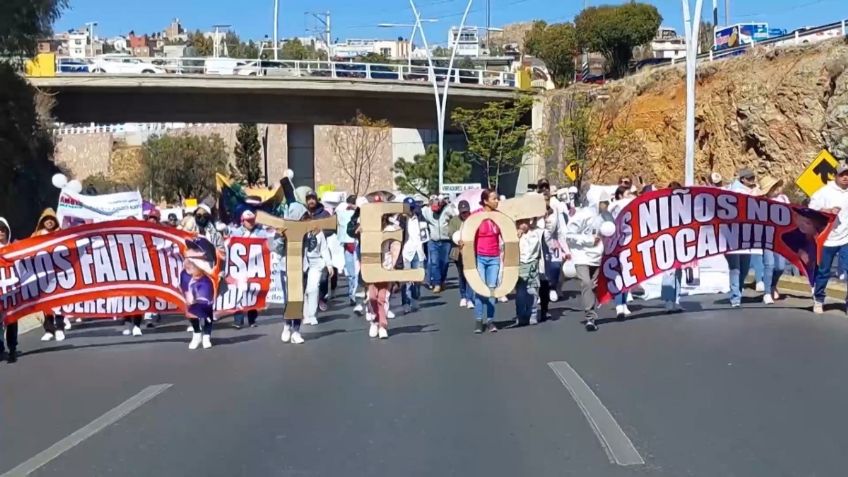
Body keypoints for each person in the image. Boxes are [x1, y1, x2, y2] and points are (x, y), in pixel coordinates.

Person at [810, 163, 848, 314]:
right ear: (836, 176)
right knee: (824, 271)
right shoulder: (824, 192)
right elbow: (810, 209)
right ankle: (818, 300)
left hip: (846, 238)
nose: (846, 177)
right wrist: (826, 211)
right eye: (842, 174)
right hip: (827, 239)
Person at [566, 193, 607, 331]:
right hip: (581, 255)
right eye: (603, 202)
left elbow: (609, 233)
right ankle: (590, 317)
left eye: (607, 202)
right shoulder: (582, 215)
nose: (606, 205)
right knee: (586, 283)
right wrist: (588, 240)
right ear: (596, 201)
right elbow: (569, 235)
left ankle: (592, 313)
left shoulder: (606, 217)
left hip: (597, 256)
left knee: (594, 286)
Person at [468, 189, 501, 334]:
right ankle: (478, 320)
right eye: (494, 198)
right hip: (480, 256)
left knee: (492, 289)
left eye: (497, 198)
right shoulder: (476, 215)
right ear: (486, 201)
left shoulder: (500, 217)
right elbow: (468, 232)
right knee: (480, 289)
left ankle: (490, 321)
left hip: (495, 257)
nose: (497, 201)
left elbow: (507, 233)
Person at [727, 168, 760, 308]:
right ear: (743, 180)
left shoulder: (750, 191)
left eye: (753, 178)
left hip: (747, 234)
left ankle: (738, 290)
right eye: (749, 178)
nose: (752, 181)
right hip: (733, 234)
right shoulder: (734, 191)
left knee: (745, 267)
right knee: (736, 267)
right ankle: (735, 297)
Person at [32, 208, 66, 342]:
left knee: (59, 302)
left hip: (59, 273)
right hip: (43, 274)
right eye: (46, 219)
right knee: (46, 303)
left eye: (52, 219)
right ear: (42, 221)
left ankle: (59, 328)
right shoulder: (36, 235)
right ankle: (49, 329)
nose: (49, 222)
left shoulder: (62, 233)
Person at [367, 215, 402, 339]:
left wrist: (393, 264)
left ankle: (382, 325)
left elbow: (396, 246)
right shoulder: (368, 228)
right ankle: (374, 321)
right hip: (371, 266)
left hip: (385, 265)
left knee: (382, 297)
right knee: (372, 297)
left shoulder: (390, 229)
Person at [181, 238, 217, 350]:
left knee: (206, 310)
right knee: (190, 310)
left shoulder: (207, 280)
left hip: (203, 284)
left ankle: (206, 336)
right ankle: (196, 333)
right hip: (189, 282)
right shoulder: (184, 274)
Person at [758, 176, 789, 305]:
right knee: (769, 264)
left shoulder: (784, 199)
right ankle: (766, 293)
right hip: (767, 237)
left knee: (781, 266)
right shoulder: (760, 202)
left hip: (781, 238)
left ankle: (772, 285)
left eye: (777, 186)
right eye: (773, 187)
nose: (776, 189)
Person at [302, 208, 334, 326]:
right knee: (304, 292)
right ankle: (305, 315)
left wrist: (329, 264)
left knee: (313, 288)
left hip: (316, 264)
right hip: (303, 264)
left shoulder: (318, 233)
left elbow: (324, 249)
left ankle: (312, 315)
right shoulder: (300, 233)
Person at [421, 195, 455, 293]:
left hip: (446, 240)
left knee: (444, 262)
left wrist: (449, 206)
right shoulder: (427, 211)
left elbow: (456, 215)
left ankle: (442, 280)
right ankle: (437, 284)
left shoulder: (447, 209)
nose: (436, 211)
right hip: (433, 240)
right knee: (434, 262)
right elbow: (418, 212)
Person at [400, 197, 426, 314]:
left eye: (411, 208)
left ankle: (415, 298)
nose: (410, 210)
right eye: (408, 208)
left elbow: (425, 236)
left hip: (418, 251)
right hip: (406, 252)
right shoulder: (401, 220)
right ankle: (406, 302)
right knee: (406, 280)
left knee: (418, 278)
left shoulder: (420, 218)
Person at [515, 218, 543, 326]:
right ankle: (521, 315)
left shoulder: (535, 232)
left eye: (525, 222)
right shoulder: (513, 235)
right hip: (520, 265)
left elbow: (545, 234)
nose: (523, 225)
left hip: (532, 264)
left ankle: (533, 314)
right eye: (520, 223)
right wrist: (516, 237)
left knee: (532, 291)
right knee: (521, 293)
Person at [449, 200, 475, 309]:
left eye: (466, 212)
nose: (465, 214)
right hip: (458, 250)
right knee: (461, 274)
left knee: (470, 274)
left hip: (470, 250)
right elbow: (451, 233)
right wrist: (457, 239)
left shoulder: (473, 219)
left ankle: (470, 298)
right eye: (463, 212)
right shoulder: (454, 221)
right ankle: (463, 296)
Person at [0, 217, 18, 363]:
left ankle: (12, 348)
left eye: (3, 229)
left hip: (12, 291)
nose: (0, 232)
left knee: (12, 319)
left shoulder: (16, 248)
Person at [336, 195, 359, 306]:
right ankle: (352, 295)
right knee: (351, 273)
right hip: (348, 247)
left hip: (357, 245)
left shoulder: (360, 213)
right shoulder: (342, 210)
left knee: (356, 273)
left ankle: (355, 293)